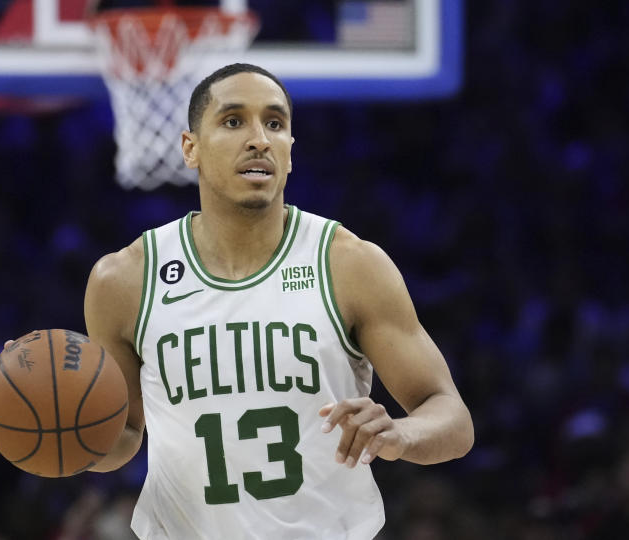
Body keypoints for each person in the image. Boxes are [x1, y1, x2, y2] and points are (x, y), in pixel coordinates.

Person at [83, 63, 473, 539]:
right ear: (191, 148)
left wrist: (400, 433)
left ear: (290, 152)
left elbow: (452, 419)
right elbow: (122, 435)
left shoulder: (349, 264)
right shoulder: (125, 280)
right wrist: (71, 437)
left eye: (275, 123)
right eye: (232, 121)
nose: (259, 139)